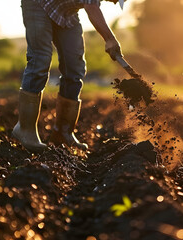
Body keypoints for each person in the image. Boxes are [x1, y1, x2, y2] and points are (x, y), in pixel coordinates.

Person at [12, 0, 125, 153]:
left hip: (66, 11)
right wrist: (110, 39)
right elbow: (91, 7)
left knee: (75, 67)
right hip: (37, 4)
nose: (113, 3)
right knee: (40, 60)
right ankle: (25, 129)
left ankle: (63, 133)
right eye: (116, 0)